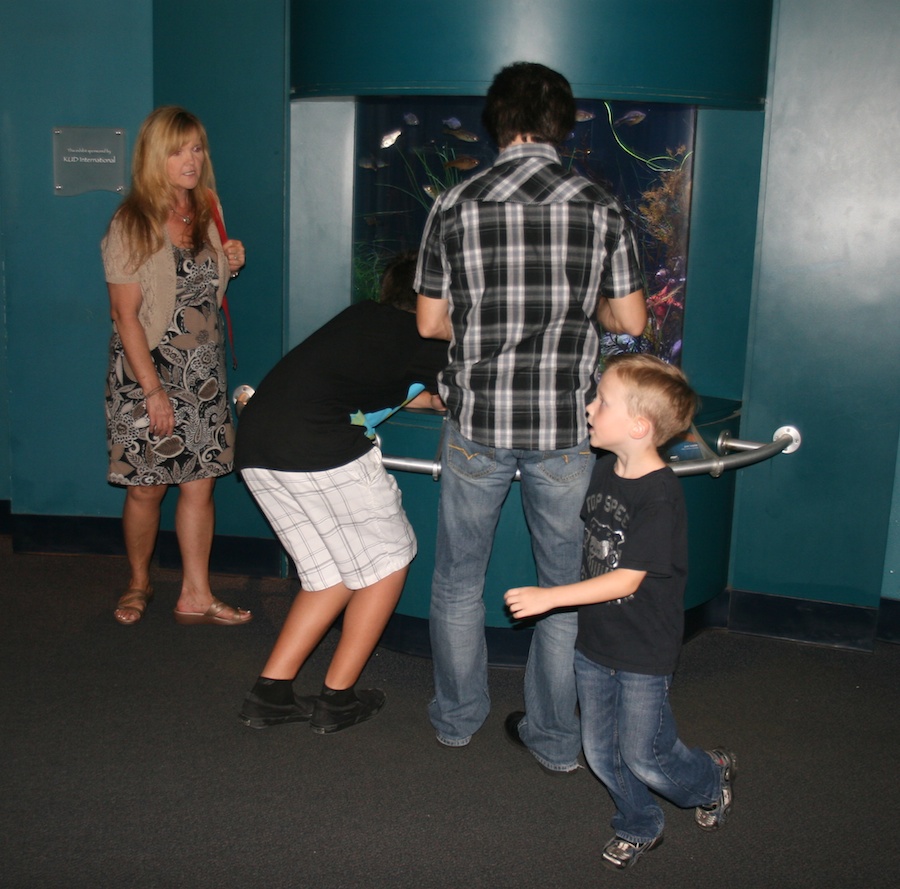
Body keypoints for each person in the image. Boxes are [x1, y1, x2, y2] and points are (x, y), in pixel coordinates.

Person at [415, 62, 648, 772]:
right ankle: (553, 738)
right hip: (564, 430)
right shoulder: (599, 205)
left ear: (496, 123)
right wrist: (586, 311)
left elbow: (430, 322)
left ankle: (457, 720)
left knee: (458, 577)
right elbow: (631, 320)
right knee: (566, 588)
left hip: (478, 422)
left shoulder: (454, 203)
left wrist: (487, 321)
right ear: (561, 123)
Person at [505, 354, 736, 871]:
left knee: (646, 755)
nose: (589, 406)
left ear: (638, 426)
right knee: (602, 751)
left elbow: (627, 577)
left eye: (601, 401)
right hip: (596, 643)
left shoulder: (660, 495)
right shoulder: (607, 470)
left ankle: (708, 776)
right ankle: (637, 823)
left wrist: (550, 596)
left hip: (643, 651)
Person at [235, 251, 446, 734]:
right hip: (319, 448)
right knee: (388, 561)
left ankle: (271, 694)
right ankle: (338, 698)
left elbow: (400, 386)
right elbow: (459, 392)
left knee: (329, 574)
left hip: (259, 446)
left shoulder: (364, 320)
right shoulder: (425, 338)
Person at [101, 105, 251, 627]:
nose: (191, 159)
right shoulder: (132, 220)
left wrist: (227, 257)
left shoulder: (208, 205)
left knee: (200, 485)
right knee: (147, 486)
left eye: (196, 148)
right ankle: (139, 582)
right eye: (177, 150)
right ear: (153, 155)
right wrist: (153, 391)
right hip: (149, 372)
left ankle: (196, 593)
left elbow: (205, 285)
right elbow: (125, 316)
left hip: (204, 372)